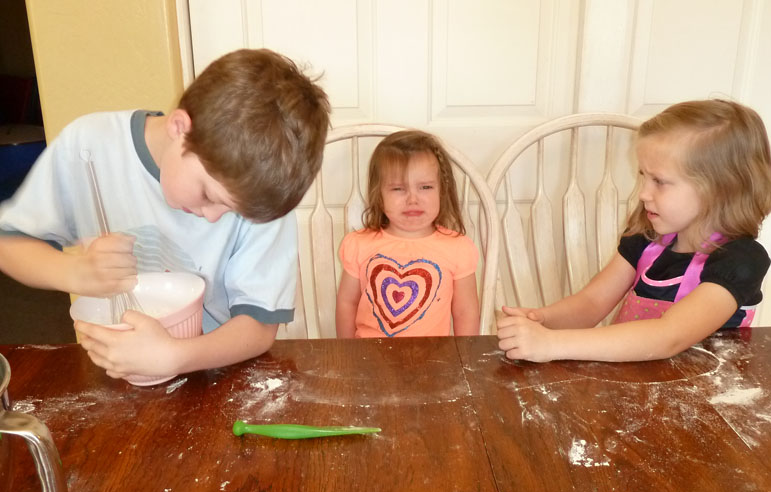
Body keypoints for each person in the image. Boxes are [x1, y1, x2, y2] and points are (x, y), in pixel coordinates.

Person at [0, 48, 330, 380]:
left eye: (232, 211)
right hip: (114, 368)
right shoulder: (89, 147)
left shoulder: (262, 197)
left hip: (218, 375)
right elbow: (7, 243)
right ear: (179, 128)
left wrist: (175, 357)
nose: (214, 218)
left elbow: (259, 327)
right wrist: (73, 271)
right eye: (207, 195)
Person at [497, 99, 771, 362]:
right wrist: (541, 321)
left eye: (660, 181)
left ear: (720, 189)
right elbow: (591, 303)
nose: (643, 193)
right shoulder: (645, 241)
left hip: (705, 402)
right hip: (631, 392)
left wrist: (551, 345)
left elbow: (668, 337)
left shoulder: (740, 261)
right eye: (642, 176)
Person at [336, 130, 480, 338]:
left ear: (442, 191)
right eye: (398, 189)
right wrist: (347, 354)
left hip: (434, 363)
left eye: (425, 187)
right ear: (379, 194)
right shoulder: (358, 244)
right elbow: (347, 303)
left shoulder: (458, 248)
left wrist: (465, 360)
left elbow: (465, 312)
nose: (413, 199)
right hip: (369, 361)